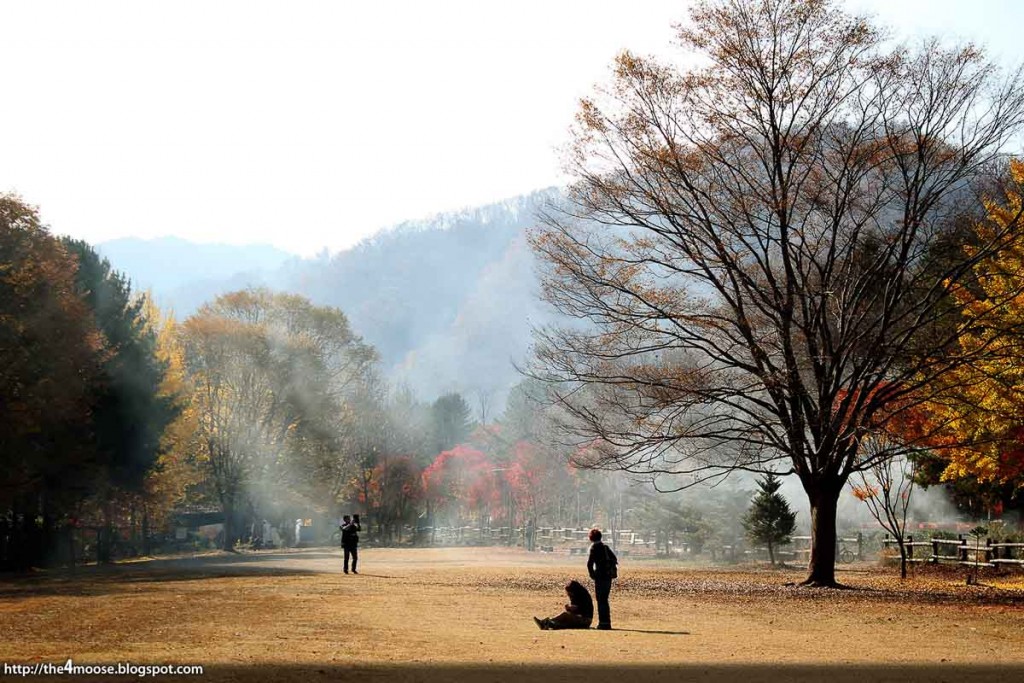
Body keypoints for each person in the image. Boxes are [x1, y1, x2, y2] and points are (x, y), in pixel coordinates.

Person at [587, 528, 616, 630]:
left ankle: (603, 623)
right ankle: (606, 622)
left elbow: (589, 564)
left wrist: (593, 575)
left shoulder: (594, 548)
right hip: (608, 576)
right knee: (605, 599)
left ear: (591, 538)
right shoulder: (605, 547)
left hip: (600, 576)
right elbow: (614, 559)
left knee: (600, 599)